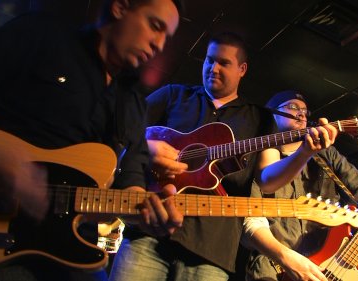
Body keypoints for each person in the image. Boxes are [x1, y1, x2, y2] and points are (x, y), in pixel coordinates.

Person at [0, 0, 182, 280]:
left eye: (166, 37)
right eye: (155, 26)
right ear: (121, 7)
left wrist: (150, 215)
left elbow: (129, 186)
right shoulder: (44, 36)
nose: (159, 44)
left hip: (68, 249)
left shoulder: (133, 104)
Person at [108, 33, 338, 281]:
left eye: (223, 63)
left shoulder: (260, 118)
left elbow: (267, 179)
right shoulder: (173, 95)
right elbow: (121, 129)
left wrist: (305, 152)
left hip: (212, 249)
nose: (213, 68)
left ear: (242, 69)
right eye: (209, 60)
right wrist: (148, 149)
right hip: (149, 230)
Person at [241, 90, 358, 281]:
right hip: (274, 267)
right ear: (272, 114)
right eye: (292, 107)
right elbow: (251, 221)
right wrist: (288, 259)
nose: (301, 113)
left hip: (325, 269)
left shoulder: (326, 154)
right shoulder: (255, 157)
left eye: (305, 111)